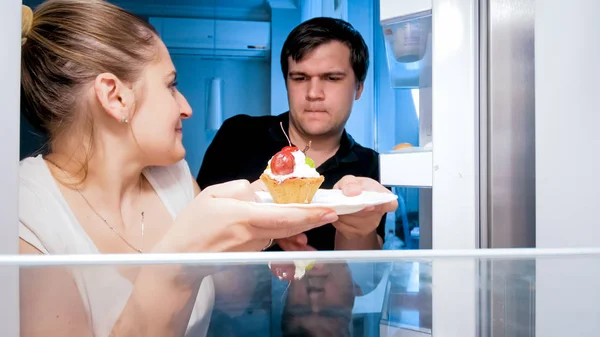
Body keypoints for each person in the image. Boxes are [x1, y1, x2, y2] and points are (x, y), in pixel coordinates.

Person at [18, 2, 345, 337]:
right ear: (115, 97)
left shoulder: (173, 178)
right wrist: (178, 264)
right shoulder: (24, 212)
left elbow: (234, 299)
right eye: (170, 85)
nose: (186, 108)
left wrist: (258, 238)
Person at [197, 17, 389, 251]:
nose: (313, 93)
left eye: (332, 78)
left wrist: (361, 229)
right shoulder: (237, 136)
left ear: (358, 87)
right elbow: (194, 229)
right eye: (300, 78)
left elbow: (366, 279)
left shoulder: (371, 165)